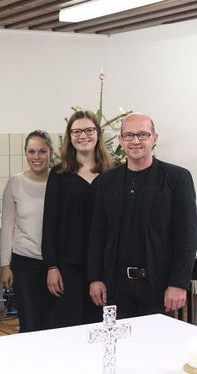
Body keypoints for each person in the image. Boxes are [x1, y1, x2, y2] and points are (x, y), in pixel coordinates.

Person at [88, 113, 197, 318]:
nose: (135, 141)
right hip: (116, 287)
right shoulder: (106, 182)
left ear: (154, 138)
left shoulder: (177, 178)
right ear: (121, 140)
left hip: (159, 286)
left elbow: (188, 236)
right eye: (128, 135)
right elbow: (97, 234)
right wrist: (96, 278)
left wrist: (178, 283)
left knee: (158, 347)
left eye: (142, 134)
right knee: (121, 347)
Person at [41, 110, 113, 328]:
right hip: (68, 266)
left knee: (99, 326)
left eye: (89, 130)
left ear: (98, 134)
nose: (83, 136)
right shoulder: (59, 174)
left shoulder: (112, 174)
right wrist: (52, 266)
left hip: (103, 266)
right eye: (76, 131)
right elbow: (50, 222)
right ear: (70, 136)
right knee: (69, 326)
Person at [0, 130, 53, 332]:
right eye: (31, 152)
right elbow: (8, 226)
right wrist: (5, 265)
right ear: (25, 153)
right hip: (24, 263)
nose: (36, 157)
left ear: (50, 152)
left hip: (53, 266)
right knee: (30, 324)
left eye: (42, 152)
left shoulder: (59, 181)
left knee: (51, 324)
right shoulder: (16, 183)